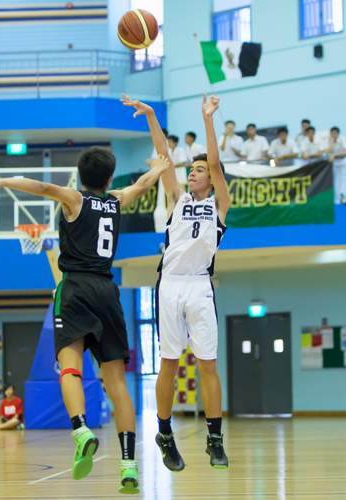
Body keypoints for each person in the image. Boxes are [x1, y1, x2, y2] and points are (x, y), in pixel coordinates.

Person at [0, 121, 172, 494]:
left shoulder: (74, 199)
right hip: (108, 292)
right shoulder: (115, 200)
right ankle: (129, 466)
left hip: (76, 289)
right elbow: (143, 185)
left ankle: (80, 429)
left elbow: (43, 188)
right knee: (117, 385)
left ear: (80, 176)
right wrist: (160, 167)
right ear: (109, 176)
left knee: (70, 368)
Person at [125, 94, 231, 472]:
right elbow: (162, 152)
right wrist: (152, 116)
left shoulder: (219, 204)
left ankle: (215, 439)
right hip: (170, 284)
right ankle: (165, 433)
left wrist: (208, 119)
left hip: (201, 285)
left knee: (208, 364)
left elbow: (217, 164)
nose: (194, 172)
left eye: (199, 170)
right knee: (168, 364)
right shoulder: (175, 197)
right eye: (193, 170)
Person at [324, 126, 346, 203]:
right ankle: (335, 200)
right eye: (332, 133)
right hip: (332, 163)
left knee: (341, 180)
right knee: (333, 181)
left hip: (341, 162)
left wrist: (335, 155)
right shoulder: (328, 140)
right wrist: (331, 144)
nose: (334, 135)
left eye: (335, 133)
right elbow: (326, 151)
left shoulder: (343, 139)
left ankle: (342, 197)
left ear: (338, 133)